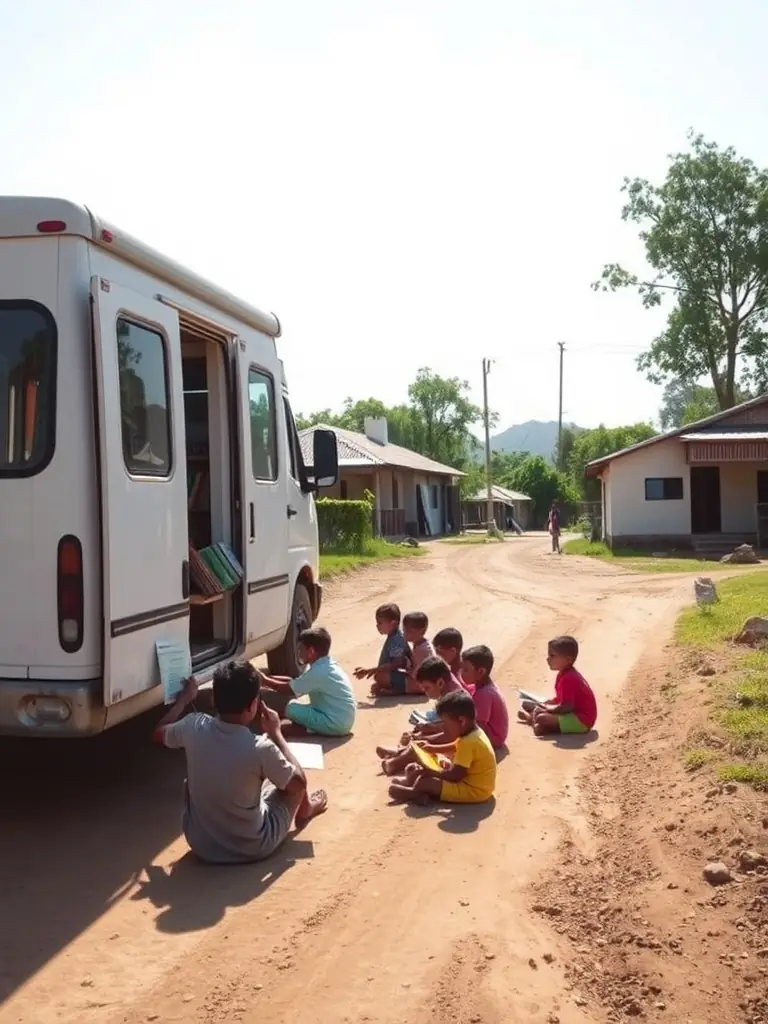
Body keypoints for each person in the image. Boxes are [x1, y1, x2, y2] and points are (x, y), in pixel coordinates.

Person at [153, 661, 327, 864]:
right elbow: (299, 784)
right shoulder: (261, 747)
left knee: (193, 781)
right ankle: (305, 811)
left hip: (201, 844)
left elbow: (158, 732)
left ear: (214, 698)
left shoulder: (193, 725)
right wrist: (276, 733)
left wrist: (183, 701)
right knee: (290, 776)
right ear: (253, 705)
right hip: (253, 846)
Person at [387, 690, 497, 806]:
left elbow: (455, 776)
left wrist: (431, 772)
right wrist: (432, 748)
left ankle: (414, 792)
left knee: (428, 782)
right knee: (417, 768)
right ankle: (417, 788)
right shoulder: (473, 733)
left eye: (445, 723)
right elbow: (455, 746)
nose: (443, 728)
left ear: (461, 721)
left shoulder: (469, 742)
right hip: (471, 782)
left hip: (473, 790)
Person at [260, 627, 356, 737]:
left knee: (289, 709)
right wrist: (268, 678)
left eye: (301, 649)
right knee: (294, 711)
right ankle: (310, 728)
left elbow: (289, 689)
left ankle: (309, 729)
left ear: (311, 651)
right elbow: (295, 682)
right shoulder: (326, 666)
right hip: (341, 720)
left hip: (334, 722)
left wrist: (264, 680)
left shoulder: (318, 672)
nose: (299, 653)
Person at [377, 656, 464, 766]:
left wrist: (422, 739)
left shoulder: (453, 700)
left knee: (422, 745)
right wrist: (427, 730)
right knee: (420, 734)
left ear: (440, 683)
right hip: (454, 737)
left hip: (459, 746)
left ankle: (396, 760)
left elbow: (450, 736)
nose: (425, 693)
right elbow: (446, 727)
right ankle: (402, 752)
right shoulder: (447, 689)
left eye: (427, 688)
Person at [518, 635, 597, 736]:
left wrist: (547, 708)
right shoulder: (563, 674)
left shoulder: (569, 678)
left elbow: (567, 706)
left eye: (552, 656)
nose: (548, 659)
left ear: (568, 659)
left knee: (541, 718)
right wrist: (549, 703)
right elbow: (562, 699)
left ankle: (533, 721)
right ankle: (537, 721)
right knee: (528, 704)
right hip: (571, 713)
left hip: (582, 721)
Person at [460, 644, 509, 750]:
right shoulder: (480, 687)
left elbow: (479, 726)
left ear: (481, 672)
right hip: (495, 734)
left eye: (466, 670)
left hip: (494, 738)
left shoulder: (484, 694)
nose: (461, 673)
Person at [354, 603, 409, 697]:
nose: (377, 626)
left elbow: (397, 664)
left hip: (408, 677)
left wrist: (371, 670)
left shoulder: (396, 640)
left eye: (380, 623)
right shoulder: (392, 637)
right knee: (379, 677)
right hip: (396, 674)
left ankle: (396, 690)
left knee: (380, 677)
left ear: (393, 623)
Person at [402, 611, 435, 694]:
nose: (405, 634)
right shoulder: (417, 645)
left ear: (421, 631)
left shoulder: (423, 650)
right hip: (418, 680)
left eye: (409, 631)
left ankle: (394, 691)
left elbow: (419, 675)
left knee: (383, 677)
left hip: (422, 684)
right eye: (404, 630)